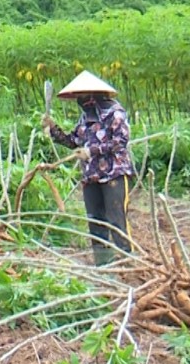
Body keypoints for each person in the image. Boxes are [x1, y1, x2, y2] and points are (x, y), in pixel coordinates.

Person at [43, 70, 135, 266]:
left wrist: (92, 151)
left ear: (93, 95)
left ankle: (129, 261)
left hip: (114, 175)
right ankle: (103, 263)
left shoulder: (115, 113)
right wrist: (53, 129)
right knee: (95, 221)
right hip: (91, 177)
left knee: (116, 219)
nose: (80, 100)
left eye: (83, 96)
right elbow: (72, 141)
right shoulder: (85, 119)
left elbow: (120, 142)